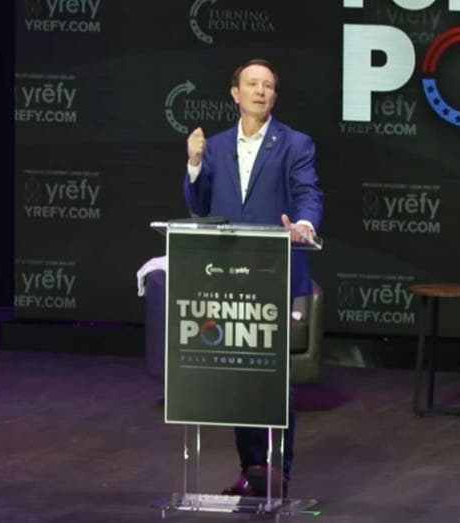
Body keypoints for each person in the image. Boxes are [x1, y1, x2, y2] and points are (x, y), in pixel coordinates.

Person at [183, 58, 323, 497]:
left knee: (272, 376)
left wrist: (304, 225)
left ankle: (278, 471)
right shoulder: (216, 146)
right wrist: (193, 163)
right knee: (239, 376)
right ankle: (252, 469)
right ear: (235, 94)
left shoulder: (295, 144)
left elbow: (308, 192)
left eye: (268, 86)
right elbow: (199, 205)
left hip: (274, 275)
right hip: (227, 278)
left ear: (274, 96)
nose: (261, 91)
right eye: (252, 84)